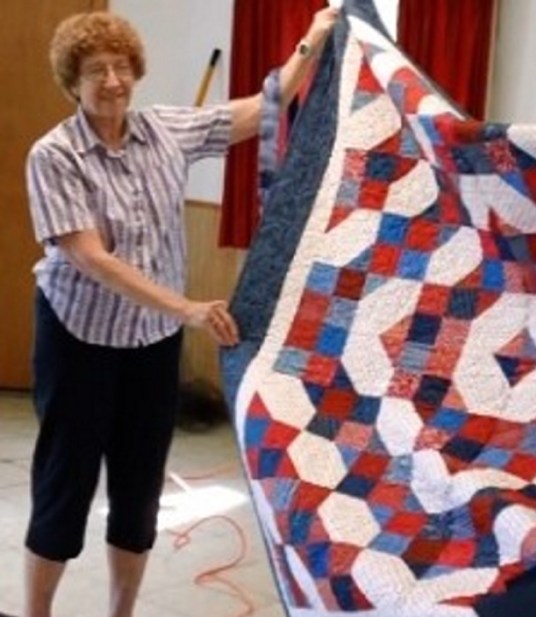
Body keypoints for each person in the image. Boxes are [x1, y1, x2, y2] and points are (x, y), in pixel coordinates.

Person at [23, 7, 339, 617]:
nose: (112, 81)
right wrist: (187, 307)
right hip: (78, 339)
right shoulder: (54, 156)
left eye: (121, 67)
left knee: (139, 493)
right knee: (65, 486)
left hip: (153, 343)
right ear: (72, 82)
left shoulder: (165, 129)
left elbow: (257, 108)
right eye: (95, 71)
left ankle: (121, 613)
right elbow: (92, 259)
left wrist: (312, 41)